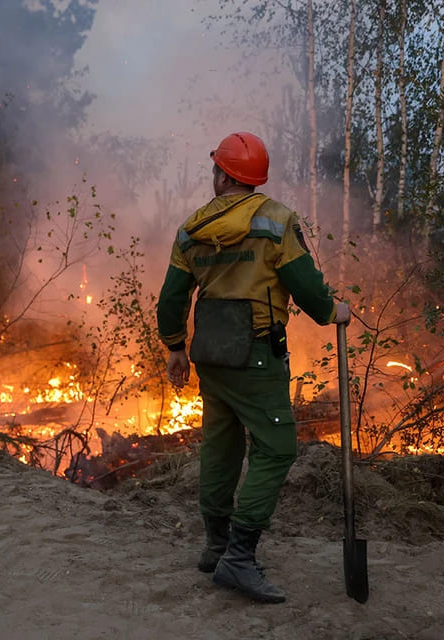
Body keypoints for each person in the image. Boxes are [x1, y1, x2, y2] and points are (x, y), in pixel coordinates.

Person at [156, 131, 350, 604]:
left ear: (223, 174)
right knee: (278, 448)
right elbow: (304, 284)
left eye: (216, 168)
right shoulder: (276, 220)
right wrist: (332, 311)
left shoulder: (191, 228)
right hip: (257, 355)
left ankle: (215, 546)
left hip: (212, 356)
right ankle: (239, 559)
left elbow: (171, 299)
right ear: (255, 178)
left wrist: (176, 347)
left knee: (220, 448)